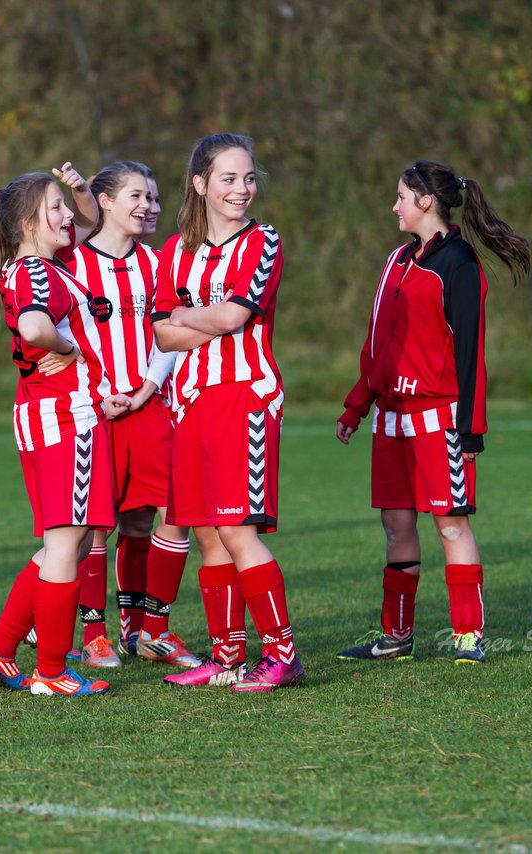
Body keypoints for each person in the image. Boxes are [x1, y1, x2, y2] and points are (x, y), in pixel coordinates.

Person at [335, 160, 530, 665]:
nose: (394, 205)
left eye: (401, 196)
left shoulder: (459, 263)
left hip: (438, 421)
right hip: (390, 421)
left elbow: (470, 352)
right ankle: (396, 637)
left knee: (450, 525)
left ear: (426, 202)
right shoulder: (397, 260)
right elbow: (378, 343)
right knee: (397, 526)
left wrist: (471, 428)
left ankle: (469, 635)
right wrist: (358, 404)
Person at [0, 165, 133, 697]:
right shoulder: (36, 271)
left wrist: (80, 193)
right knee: (68, 544)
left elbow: (87, 220)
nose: (68, 216)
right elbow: (37, 327)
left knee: (67, 539)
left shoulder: (43, 262)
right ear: (26, 223)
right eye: (55, 208)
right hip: (65, 419)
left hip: (55, 414)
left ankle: (0, 649)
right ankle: (53, 671)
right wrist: (69, 350)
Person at [151, 133, 303, 692]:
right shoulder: (174, 251)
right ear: (200, 185)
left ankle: (282, 654)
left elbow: (234, 318)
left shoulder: (262, 241)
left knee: (239, 529)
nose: (243, 190)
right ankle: (228, 656)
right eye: (229, 179)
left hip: (245, 397)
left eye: (249, 178)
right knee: (209, 537)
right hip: (188, 401)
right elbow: (162, 335)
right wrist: (196, 318)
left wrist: (190, 315)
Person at [65, 161, 200, 670]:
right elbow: (64, 336)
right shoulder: (73, 263)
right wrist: (98, 391)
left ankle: (150, 630)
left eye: (154, 198)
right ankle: (95, 636)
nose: (150, 206)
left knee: (163, 515)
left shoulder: (159, 261)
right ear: (104, 202)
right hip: (94, 408)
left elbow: (171, 325)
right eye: (138, 196)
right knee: (97, 524)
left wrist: (149, 384)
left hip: (150, 403)